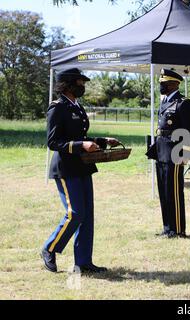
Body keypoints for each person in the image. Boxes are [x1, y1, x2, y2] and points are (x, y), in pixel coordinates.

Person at [41, 68, 120, 273]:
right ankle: (49, 248)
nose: (83, 86)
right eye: (80, 83)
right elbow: (53, 142)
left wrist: (102, 141)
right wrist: (80, 146)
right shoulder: (57, 108)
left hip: (83, 166)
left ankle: (83, 262)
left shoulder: (77, 107)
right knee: (75, 213)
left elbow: (81, 135)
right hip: (66, 169)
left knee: (87, 215)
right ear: (68, 84)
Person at [146, 68, 190, 238]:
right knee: (164, 192)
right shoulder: (164, 102)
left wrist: (186, 154)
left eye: (165, 83)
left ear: (175, 84)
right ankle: (168, 228)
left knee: (174, 192)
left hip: (175, 153)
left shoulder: (184, 103)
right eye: (161, 82)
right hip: (161, 152)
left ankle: (178, 229)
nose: (162, 85)